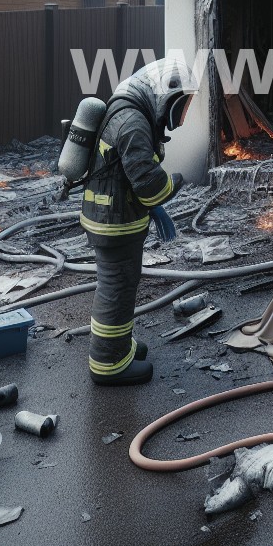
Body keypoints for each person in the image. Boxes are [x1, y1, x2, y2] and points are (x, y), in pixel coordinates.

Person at [80, 57, 194, 386]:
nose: (180, 113)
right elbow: (149, 185)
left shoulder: (130, 114)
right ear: (162, 95)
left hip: (114, 217)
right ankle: (108, 363)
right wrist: (174, 181)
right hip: (114, 222)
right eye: (180, 103)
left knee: (124, 284)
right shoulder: (132, 122)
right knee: (117, 287)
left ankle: (120, 346)